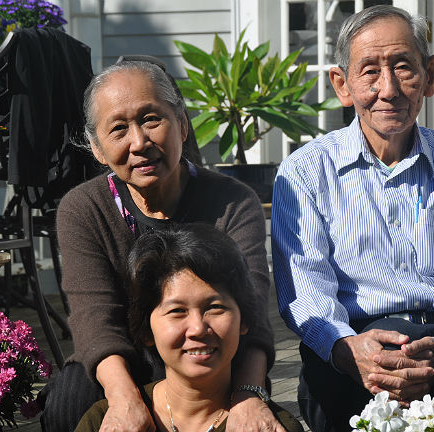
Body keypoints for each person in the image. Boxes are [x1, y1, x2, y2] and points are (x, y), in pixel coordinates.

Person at [271, 5, 434, 432]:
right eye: (370, 72)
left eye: (403, 67)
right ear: (342, 85)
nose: (389, 88)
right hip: (360, 350)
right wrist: (347, 347)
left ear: (430, 76)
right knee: (321, 352)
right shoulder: (305, 172)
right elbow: (305, 293)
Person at [41, 60, 284, 432]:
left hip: (209, 353)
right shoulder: (83, 209)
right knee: (70, 398)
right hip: (124, 355)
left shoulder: (233, 201)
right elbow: (95, 318)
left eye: (152, 119)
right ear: (98, 149)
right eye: (119, 129)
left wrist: (249, 395)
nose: (139, 142)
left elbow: (251, 311)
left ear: (183, 125)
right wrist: (125, 400)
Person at [75, 224, 304, 432]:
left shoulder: (272, 427)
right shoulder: (105, 423)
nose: (197, 328)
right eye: (177, 311)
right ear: (146, 330)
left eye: (214, 307)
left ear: (243, 320)